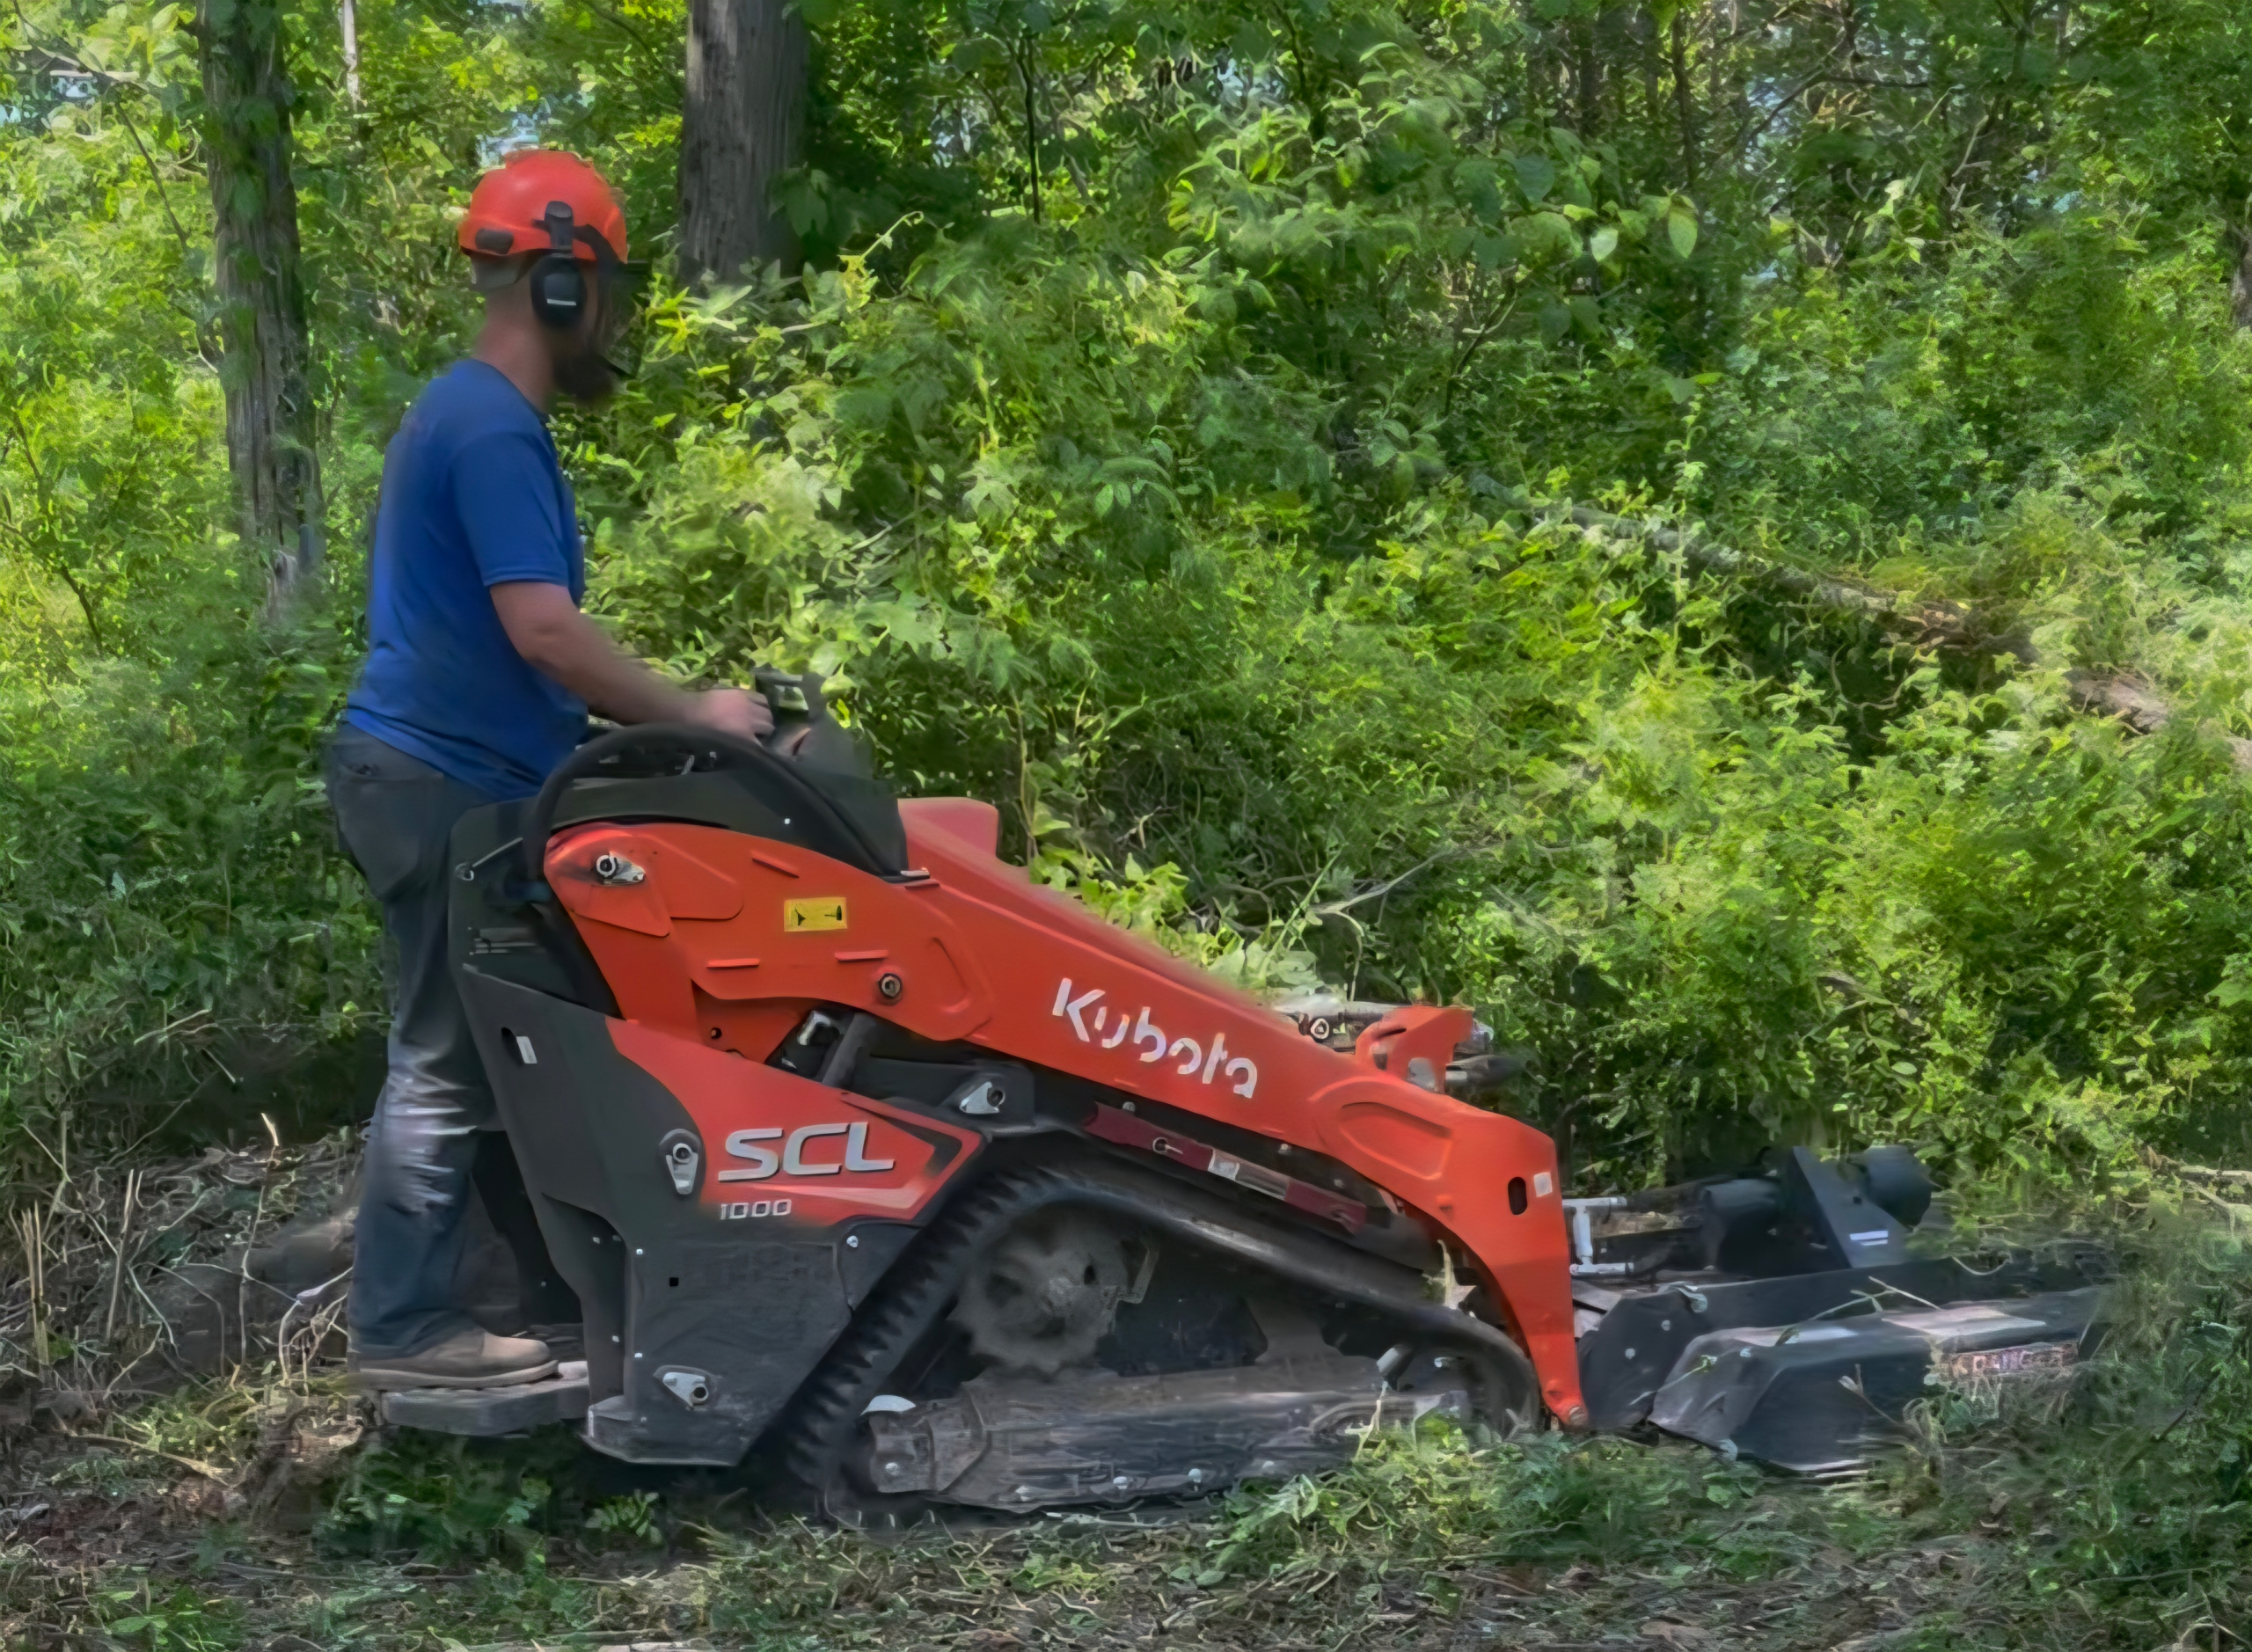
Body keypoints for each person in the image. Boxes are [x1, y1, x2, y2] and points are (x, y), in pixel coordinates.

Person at [327, 150, 771, 1390]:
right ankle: (403, 1328)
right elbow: (546, 633)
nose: (613, 319)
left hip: (442, 773)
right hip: (437, 779)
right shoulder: (490, 426)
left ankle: (526, 1286)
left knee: (507, 1037)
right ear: (564, 286)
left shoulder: (470, 414)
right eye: (609, 292)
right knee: (446, 1056)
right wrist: (695, 715)